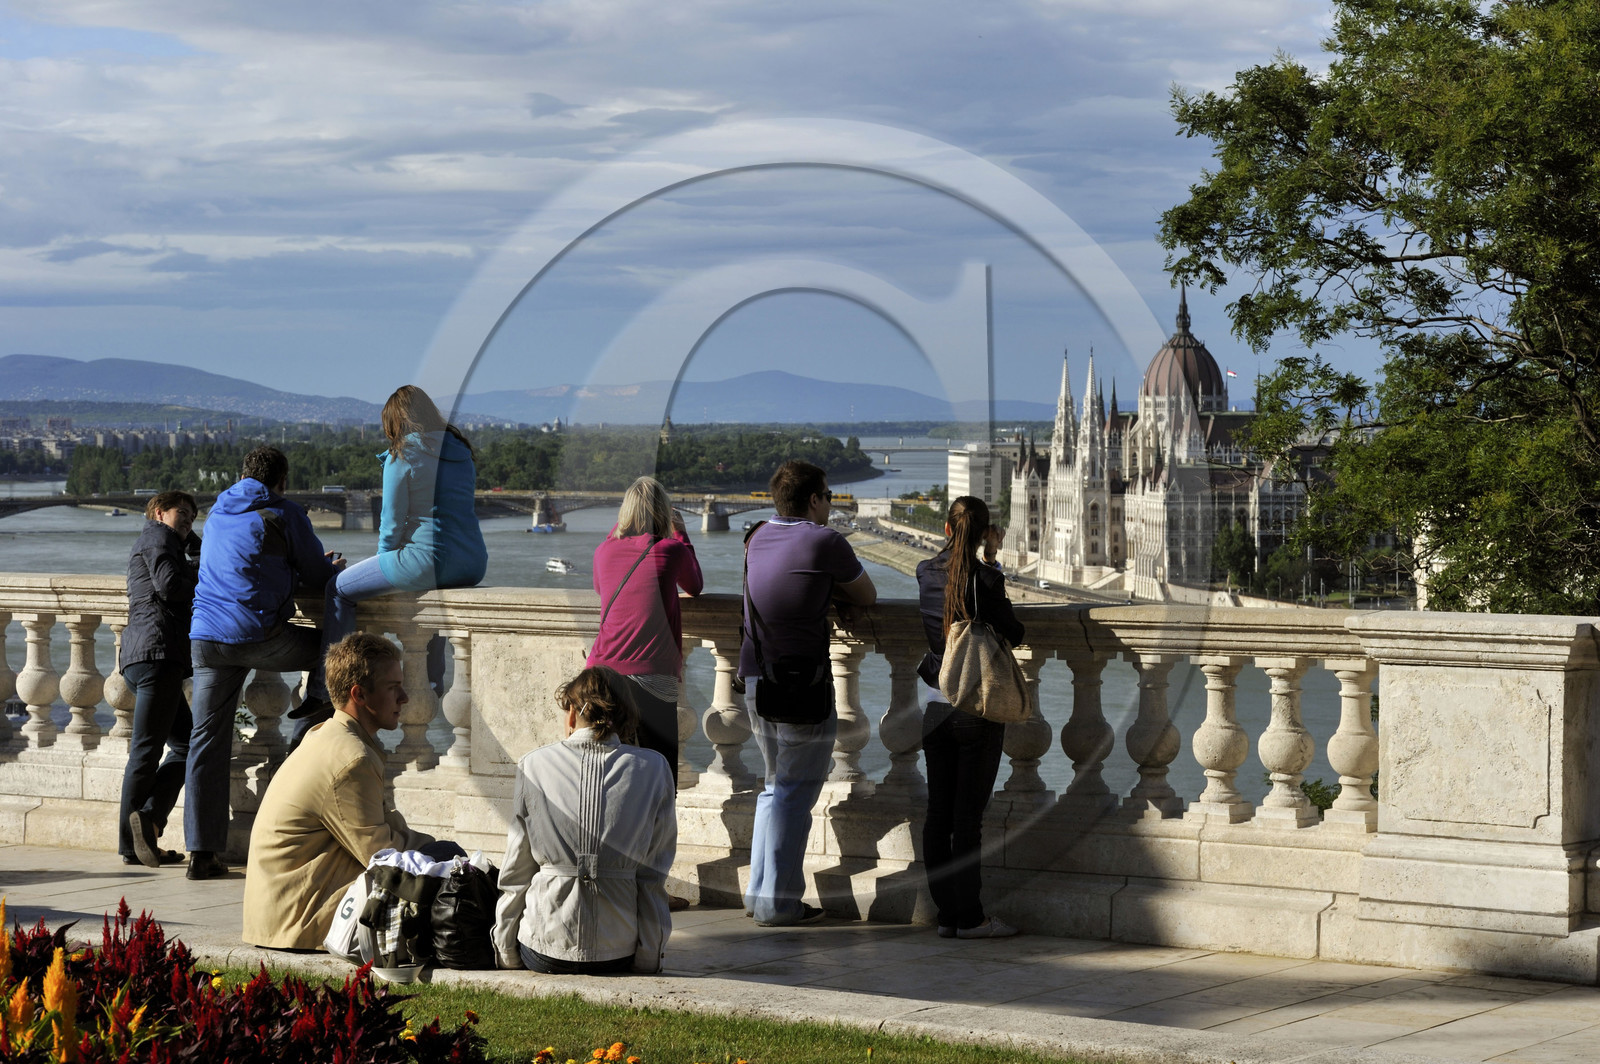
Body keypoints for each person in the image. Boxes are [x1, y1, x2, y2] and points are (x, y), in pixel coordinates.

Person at [242, 632, 462, 949]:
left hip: (279, 912)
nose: (405, 697)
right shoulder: (352, 760)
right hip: (300, 919)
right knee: (450, 866)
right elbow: (382, 856)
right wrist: (444, 855)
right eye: (392, 688)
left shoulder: (327, 734)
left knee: (443, 856)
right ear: (359, 694)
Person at [186, 445, 344, 880]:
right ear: (283, 480)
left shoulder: (217, 513)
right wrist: (330, 568)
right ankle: (312, 703)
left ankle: (202, 852)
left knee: (206, 743)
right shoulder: (284, 512)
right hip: (256, 635)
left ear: (242, 475)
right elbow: (317, 574)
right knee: (332, 654)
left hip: (205, 638)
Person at [740, 460, 876, 927]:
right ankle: (779, 905)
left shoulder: (756, 537)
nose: (830, 504)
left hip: (756, 677)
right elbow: (867, 595)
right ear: (815, 500)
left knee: (773, 788)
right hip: (801, 683)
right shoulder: (826, 541)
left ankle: (759, 896)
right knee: (794, 794)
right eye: (828, 496)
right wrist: (835, 598)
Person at [315, 385, 488, 718]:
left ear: (394, 422)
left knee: (336, 590)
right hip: (472, 562)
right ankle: (433, 680)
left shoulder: (402, 455)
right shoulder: (461, 451)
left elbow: (391, 524)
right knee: (433, 593)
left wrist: (384, 563)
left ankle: (327, 688)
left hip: (426, 560)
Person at [493, 666, 677, 974]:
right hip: (618, 952)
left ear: (571, 713)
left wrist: (505, 951)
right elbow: (653, 875)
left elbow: (516, 871)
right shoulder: (654, 768)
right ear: (624, 717)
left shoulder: (533, 765)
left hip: (543, 949)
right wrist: (648, 958)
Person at [915, 495, 1024, 939]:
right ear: (983, 534)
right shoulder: (985, 580)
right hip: (975, 706)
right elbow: (1015, 632)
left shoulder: (925, 572)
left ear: (944, 529)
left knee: (937, 814)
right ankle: (971, 916)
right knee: (967, 819)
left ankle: (946, 915)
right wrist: (993, 561)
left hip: (934, 703)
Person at [585, 475, 703, 783]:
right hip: (652, 676)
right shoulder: (671, 550)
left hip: (604, 675)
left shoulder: (603, 552)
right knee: (660, 777)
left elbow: (600, 587)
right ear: (664, 513)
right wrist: (682, 532)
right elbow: (695, 586)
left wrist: (621, 526)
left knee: (606, 776)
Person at [118, 490, 200, 868]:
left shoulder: (160, 539)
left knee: (185, 744)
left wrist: (191, 539)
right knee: (147, 752)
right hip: (158, 654)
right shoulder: (158, 537)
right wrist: (203, 575)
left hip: (144, 656)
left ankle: (146, 827)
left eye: (192, 515)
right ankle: (134, 841)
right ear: (157, 512)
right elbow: (171, 586)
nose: (186, 519)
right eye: (180, 512)